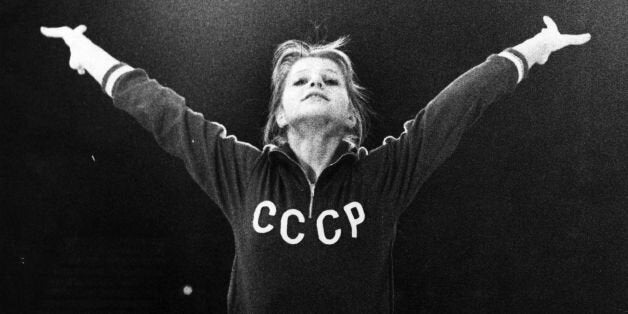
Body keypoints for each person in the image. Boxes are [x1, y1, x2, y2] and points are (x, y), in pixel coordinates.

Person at [41, 16, 590, 313]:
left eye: (331, 82)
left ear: (351, 115)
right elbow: (164, 112)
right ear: (278, 116)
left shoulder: (382, 175)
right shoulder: (244, 173)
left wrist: (533, 49)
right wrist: (87, 54)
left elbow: (455, 108)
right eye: (300, 81)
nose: (315, 85)